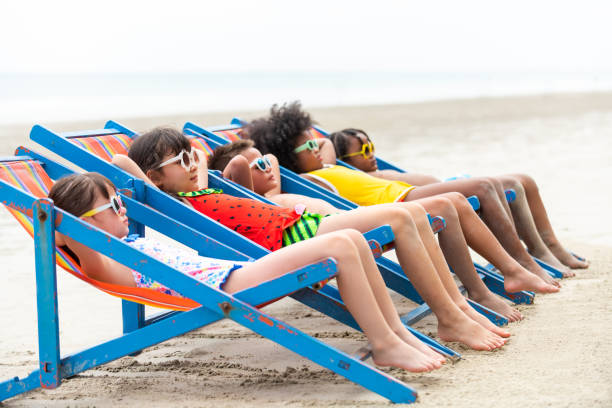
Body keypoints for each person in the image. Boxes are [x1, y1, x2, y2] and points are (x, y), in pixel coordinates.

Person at [110, 126, 513, 351]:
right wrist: (147, 175)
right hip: (291, 239)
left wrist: (198, 160)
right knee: (404, 216)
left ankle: (457, 308)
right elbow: (120, 162)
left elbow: (235, 167)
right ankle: (450, 317)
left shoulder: (204, 187)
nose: (193, 162)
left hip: (298, 224)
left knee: (410, 214)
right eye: (180, 161)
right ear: (156, 178)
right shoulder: (168, 202)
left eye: (193, 153)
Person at [49, 172, 447, 372]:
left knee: (351, 241)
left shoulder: (128, 245)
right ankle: (386, 344)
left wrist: (104, 200)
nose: (123, 210)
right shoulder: (106, 259)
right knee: (342, 242)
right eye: (112, 207)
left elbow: (118, 173)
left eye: (121, 202)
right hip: (226, 286)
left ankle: (392, 336)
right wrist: (55, 223)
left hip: (235, 272)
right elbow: (70, 232)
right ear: (81, 225)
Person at [246, 101, 574, 286]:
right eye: (306, 145)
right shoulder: (310, 178)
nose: (316, 146)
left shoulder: (322, 163)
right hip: (401, 202)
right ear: (289, 156)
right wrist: (280, 154)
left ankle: (538, 253)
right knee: (482, 187)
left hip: (407, 194)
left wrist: (309, 139)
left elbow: (327, 142)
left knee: (510, 181)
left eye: (314, 140)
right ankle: (519, 264)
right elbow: (289, 161)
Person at [330, 127, 589, 272]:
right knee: (505, 184)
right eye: (363, 151)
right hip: (434, 197)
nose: (371, 153)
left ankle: (549, 245)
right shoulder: (358, 179)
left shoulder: (373, 174)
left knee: (524, 180)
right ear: (343, 160)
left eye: (371, 146)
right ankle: (526, 256)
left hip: (446, 185)